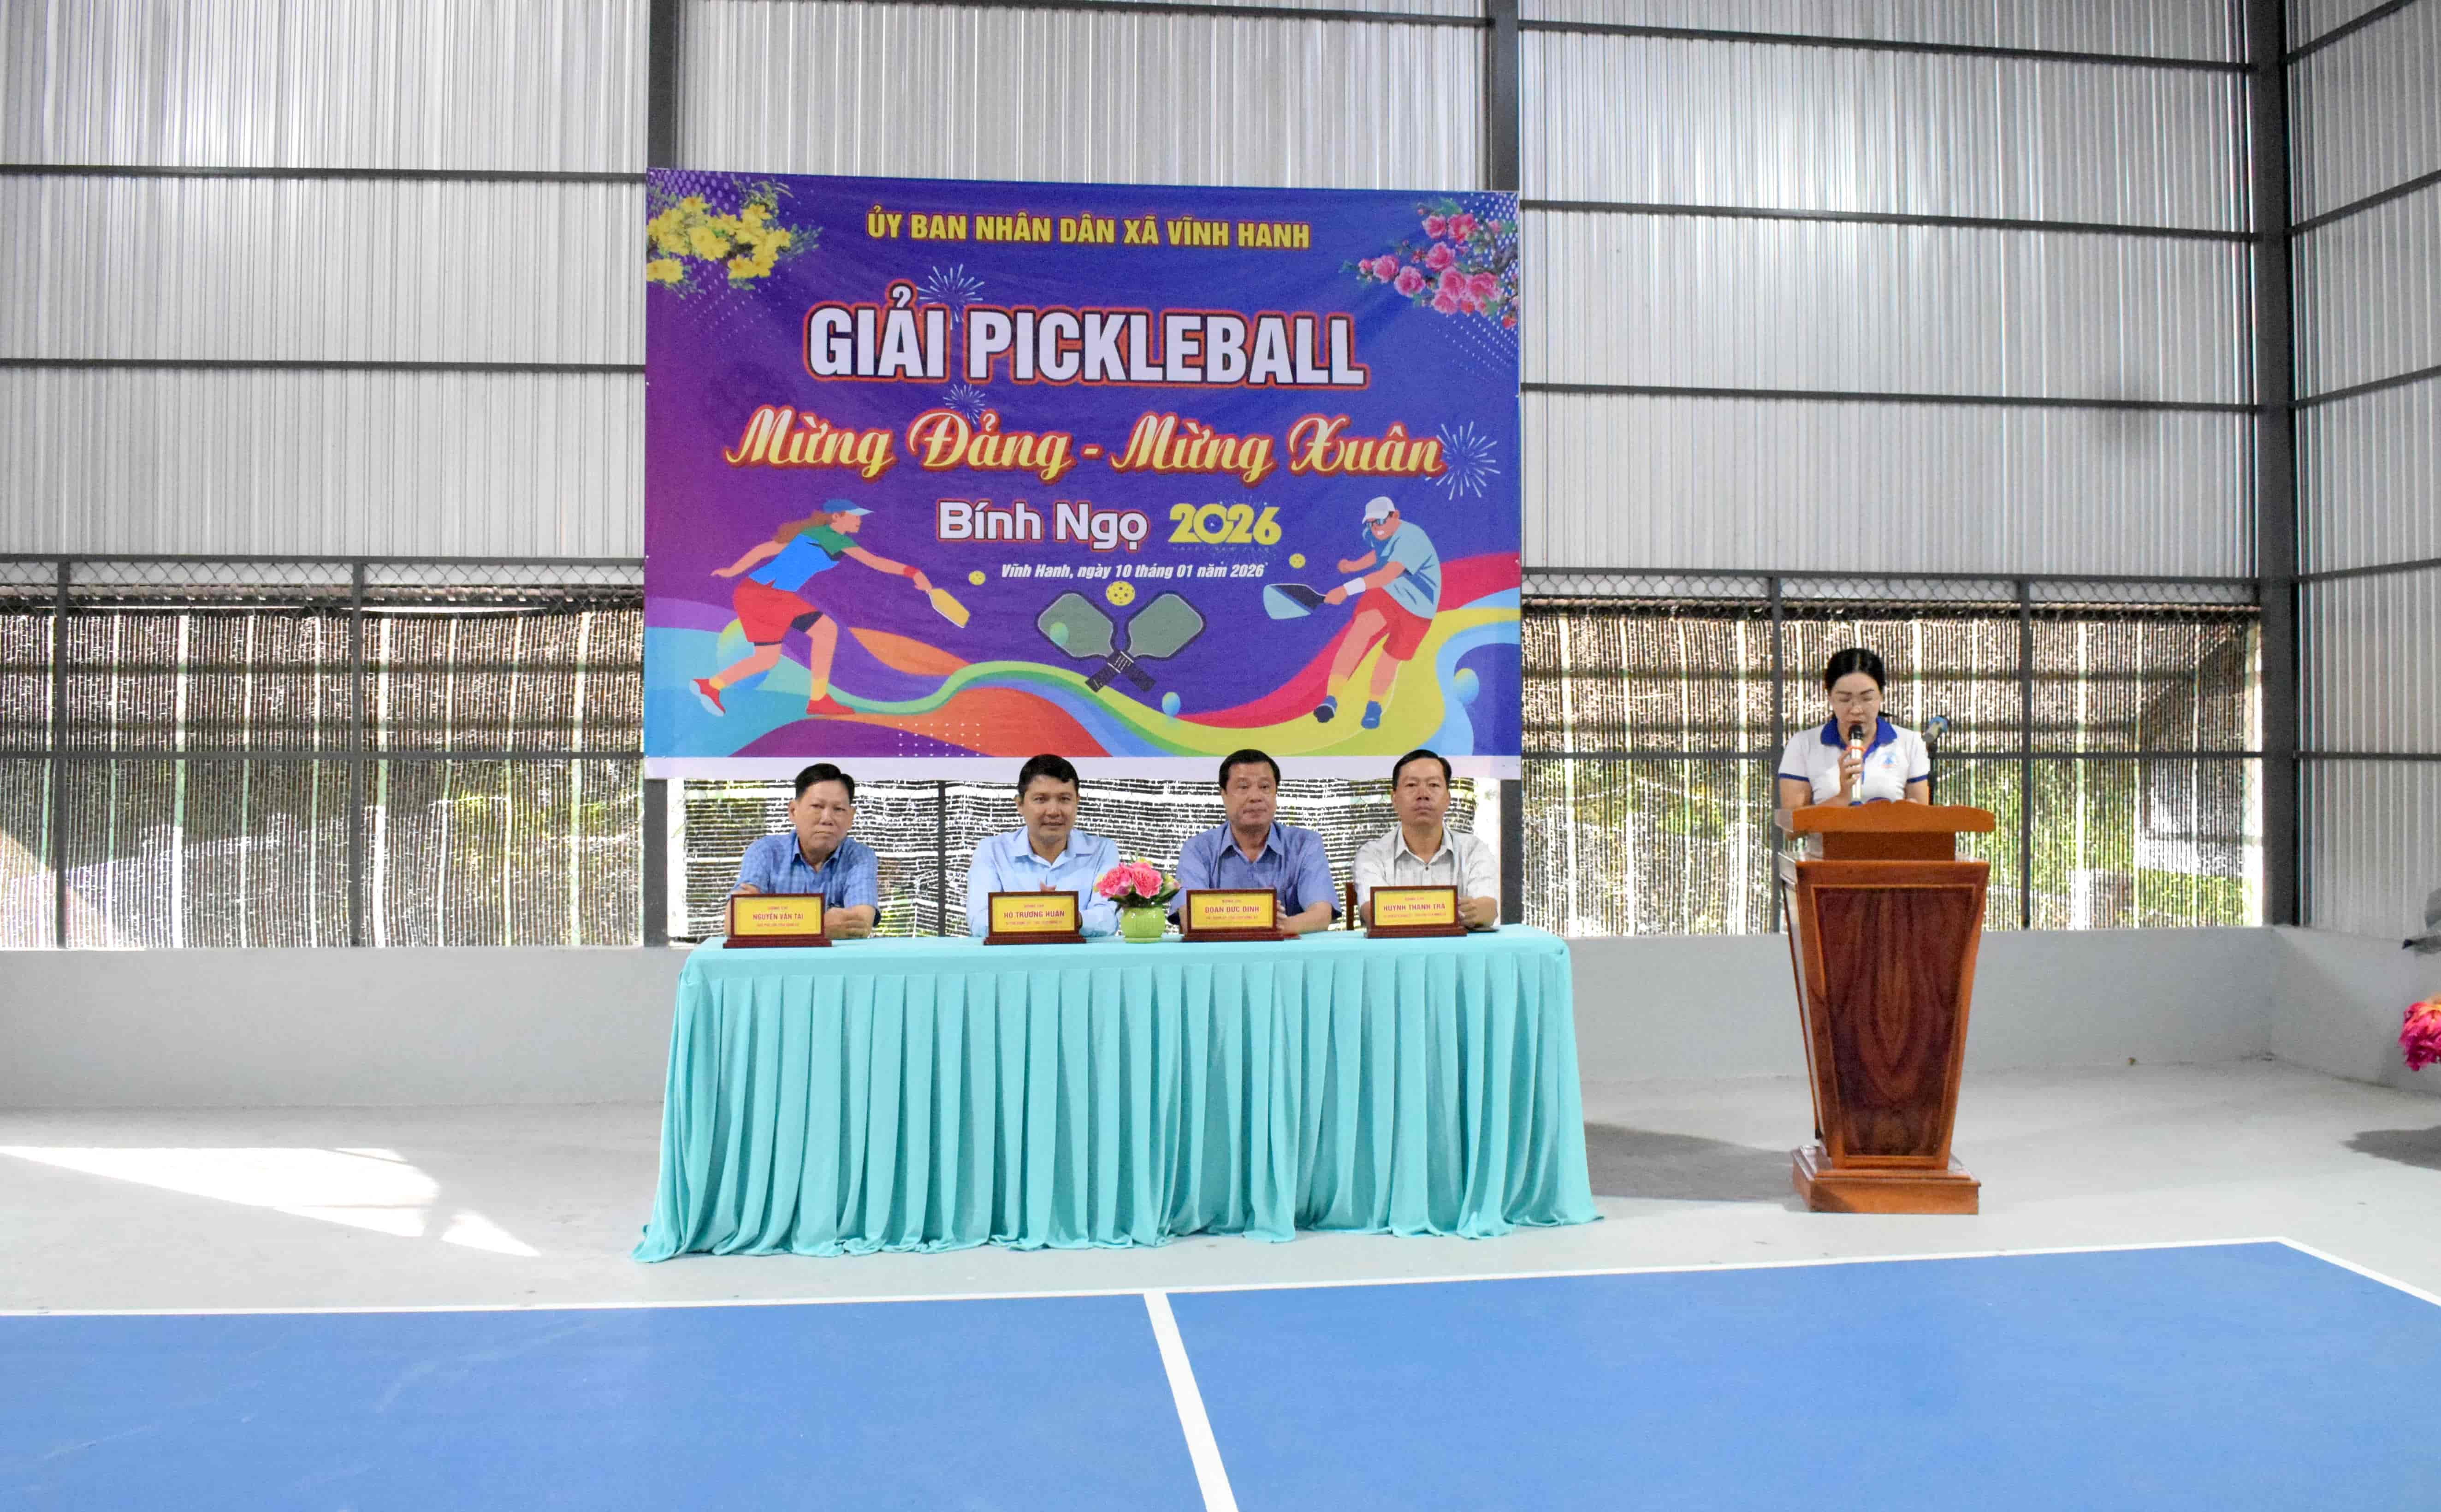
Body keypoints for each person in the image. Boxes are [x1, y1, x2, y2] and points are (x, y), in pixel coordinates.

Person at [694, 500, 935, 719]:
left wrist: (733, 571)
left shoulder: (814, 534)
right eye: (854, 516)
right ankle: (818, 700)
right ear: (837, 517)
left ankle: (710, 686)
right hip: (766, 595)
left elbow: (765, 550)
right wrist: (913, 573)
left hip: (755, 593)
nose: (859, 520)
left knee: (767, 659)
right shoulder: (834, 538)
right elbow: (874, 562)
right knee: (825, 631)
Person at [1173, 749, 1338, 934]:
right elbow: (1190, 916)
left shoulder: (1305, 844)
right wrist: (1260, 921)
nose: (1255, 797)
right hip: (1221, 952)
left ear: (1276, 793)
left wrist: (1276, 927)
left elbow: (1321, 915)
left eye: (1265, 787)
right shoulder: (1197, 850)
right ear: (1224, 795)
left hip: (1286, 951)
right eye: (1243, 787)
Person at [1315, 494, 1441, 731]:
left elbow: (1387, 574)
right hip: (1389, 594)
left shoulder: (1412, 538)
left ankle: (1374, 705)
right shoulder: (1376, 534)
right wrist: (1353, 566)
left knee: (1390, 657)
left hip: (1419, 607)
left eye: (1381, 521)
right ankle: (1331, 699)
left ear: (1395, 516)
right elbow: (1379, 553)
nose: (1376, 528)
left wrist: (1345, 589)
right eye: (1371, 523)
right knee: (1360, 630)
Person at [964, 753, 1120, 937]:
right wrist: (1042, 913)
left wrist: (1070, 917)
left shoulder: (1102, 851)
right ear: (1020, 804)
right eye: (1041, 799)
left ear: (1077, 802)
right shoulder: (992, 851)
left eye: (1065, 799)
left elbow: (1109, 919)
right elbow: (979, 921)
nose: (1053, 811)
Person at [1352, 748, 1499, 929]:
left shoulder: (1473, 850)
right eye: (1411, 785)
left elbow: (1487, 910)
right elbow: (1373, 913)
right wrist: (1446, 912)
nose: (1423, 794)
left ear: (1448, 799)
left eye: (1434, 785)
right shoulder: (1372, 855)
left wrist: (1477, 912)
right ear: (1394, 799)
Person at [730, 762, 879, 937]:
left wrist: (769, 919)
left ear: (851, 817)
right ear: (793, 811)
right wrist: (821, 926)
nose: (827, 819)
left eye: (839, 809)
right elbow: (734, 923)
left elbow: (860, 925)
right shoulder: (765, 852)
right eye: (817, 807)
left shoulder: (860, 857)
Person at [1776, 648, 1931, 809]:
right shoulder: (1803, 744)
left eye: (1867, 698)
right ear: (1830, 698)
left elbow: (1922, 816)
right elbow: (1790, 822)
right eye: (1845, 699)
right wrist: (1842, 798)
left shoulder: (1909, 742)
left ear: (1881, 695)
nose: (1856, 709)